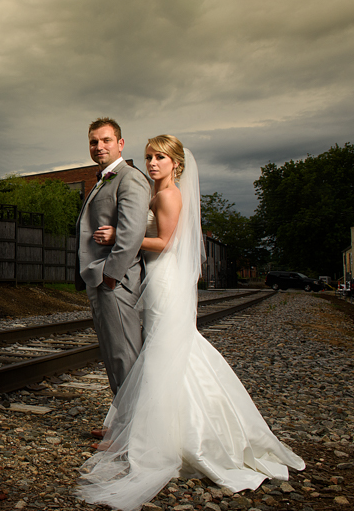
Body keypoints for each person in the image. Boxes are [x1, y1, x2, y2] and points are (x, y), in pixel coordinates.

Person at [76, 135, 304, 511]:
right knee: (165, 350)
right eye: (149, 156)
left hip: (164, 276)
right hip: (157, 275)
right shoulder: (156, 192)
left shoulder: (168, 195)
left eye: (160, 157)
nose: (152, 163)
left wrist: (122, 236)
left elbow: (164, 241)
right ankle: (160, 428)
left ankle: (168, 435)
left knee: (169, 348)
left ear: (176, 163)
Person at [75, 118, 151, 401]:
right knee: (111, 354)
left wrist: (111, 275)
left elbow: (132, 232)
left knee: (124, 356)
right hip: (100, 279)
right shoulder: (103, 178)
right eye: (94, 141)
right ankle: (121, 424)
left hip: (115, 282)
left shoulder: (129, 178)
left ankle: (134, 432)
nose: (99, 146)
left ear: (120, 144)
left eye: (106, 140)